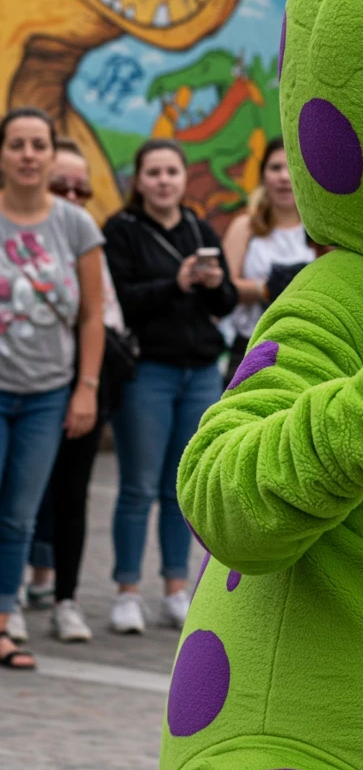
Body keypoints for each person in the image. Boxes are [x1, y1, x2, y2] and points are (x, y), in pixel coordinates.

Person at [103, 139, 237, 634]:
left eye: (172, 172)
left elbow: (223, 304)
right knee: (138, 486)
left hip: (199, 372)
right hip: (149, 373)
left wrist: (214, 283)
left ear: (184, 178)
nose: (163, 181)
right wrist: (175, 284)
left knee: (182, 488)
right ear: (138, 181)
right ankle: (126, 590)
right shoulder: (121, 230)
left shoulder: (200, 227)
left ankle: (176, 588)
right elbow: (119, 299)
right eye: (154, 172)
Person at [0, 109, 105, 671]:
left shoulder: (75, 226)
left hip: (47, 393)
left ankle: (4, 621)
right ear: (3, 154)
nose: (28, 155)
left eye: (38, 144)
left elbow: (91, 316)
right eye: (16, 144)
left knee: (19, 514)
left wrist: (85, 388)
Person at [24, 138, 126, 642]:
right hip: (24, 380)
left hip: (84, 385)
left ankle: (66, 598)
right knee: (16, 496)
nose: (70, 194)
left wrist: (88, 388)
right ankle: (15, 591)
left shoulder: (87, 240)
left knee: (71, 496)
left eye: (80, 187)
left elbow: (104, 316)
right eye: (59, 184)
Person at [221, 137, 314, 386]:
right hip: (250, 346)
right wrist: (265, 288)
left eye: (290, 166)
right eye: (275, 168)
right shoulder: (245, 226)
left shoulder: (320, 231)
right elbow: (223, 289)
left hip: (306, 348)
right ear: (262, 176)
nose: (284, 176)